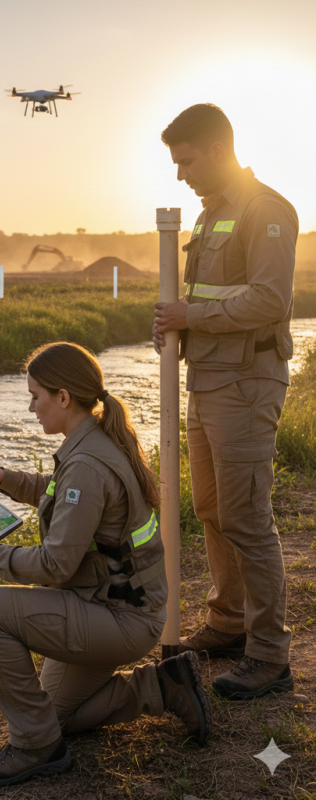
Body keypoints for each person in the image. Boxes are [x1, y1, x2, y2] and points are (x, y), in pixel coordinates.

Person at [0, 342, 210, 788]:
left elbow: (55, 565)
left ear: (63, 397)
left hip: (119, 619)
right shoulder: (96, 441)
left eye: (35, 396)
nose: (31, 408)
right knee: (58, 715)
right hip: (120, 609)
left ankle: (33, 748)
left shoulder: (85, 461)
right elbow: (64, 495)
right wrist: (7, 479)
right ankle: (162, 686)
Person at [153, 103, 297, 701]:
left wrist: (194, 316)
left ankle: (270, 655)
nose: (180, 174)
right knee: (211, 511)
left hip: (245, 384)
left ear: (216, 149)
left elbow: (268, 298)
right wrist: (178, 326)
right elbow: (206, 296)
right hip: (206, 380)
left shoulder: (266, 211)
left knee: (246, 519)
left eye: (185, 161)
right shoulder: (211, 215)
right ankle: (228, 623)